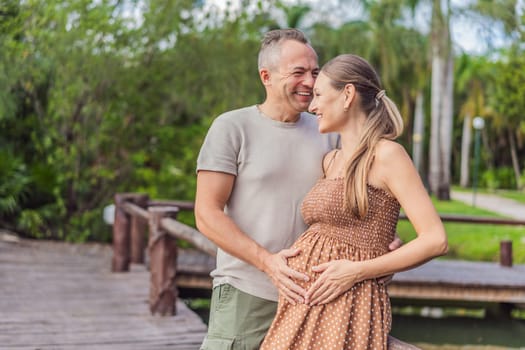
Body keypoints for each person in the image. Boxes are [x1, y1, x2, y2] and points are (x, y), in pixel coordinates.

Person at [194, 29, 401, 350]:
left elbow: (357, 203)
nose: (310, 81)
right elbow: (206, 214)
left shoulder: (329, 133)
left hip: (318, 298)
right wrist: (268, 263)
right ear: (267, 76)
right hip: (249, 292)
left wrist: (381, 242)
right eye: (298, 72)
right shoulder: (232, 128)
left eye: (315, 72)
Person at [259, 54, 448, 350]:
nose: (313, 106)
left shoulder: (387, 155)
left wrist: (356, 270)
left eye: (319, 95)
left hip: (348, 305)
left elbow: (435, 240)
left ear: (347, 94)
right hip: (300, 306)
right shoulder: (330, 160)